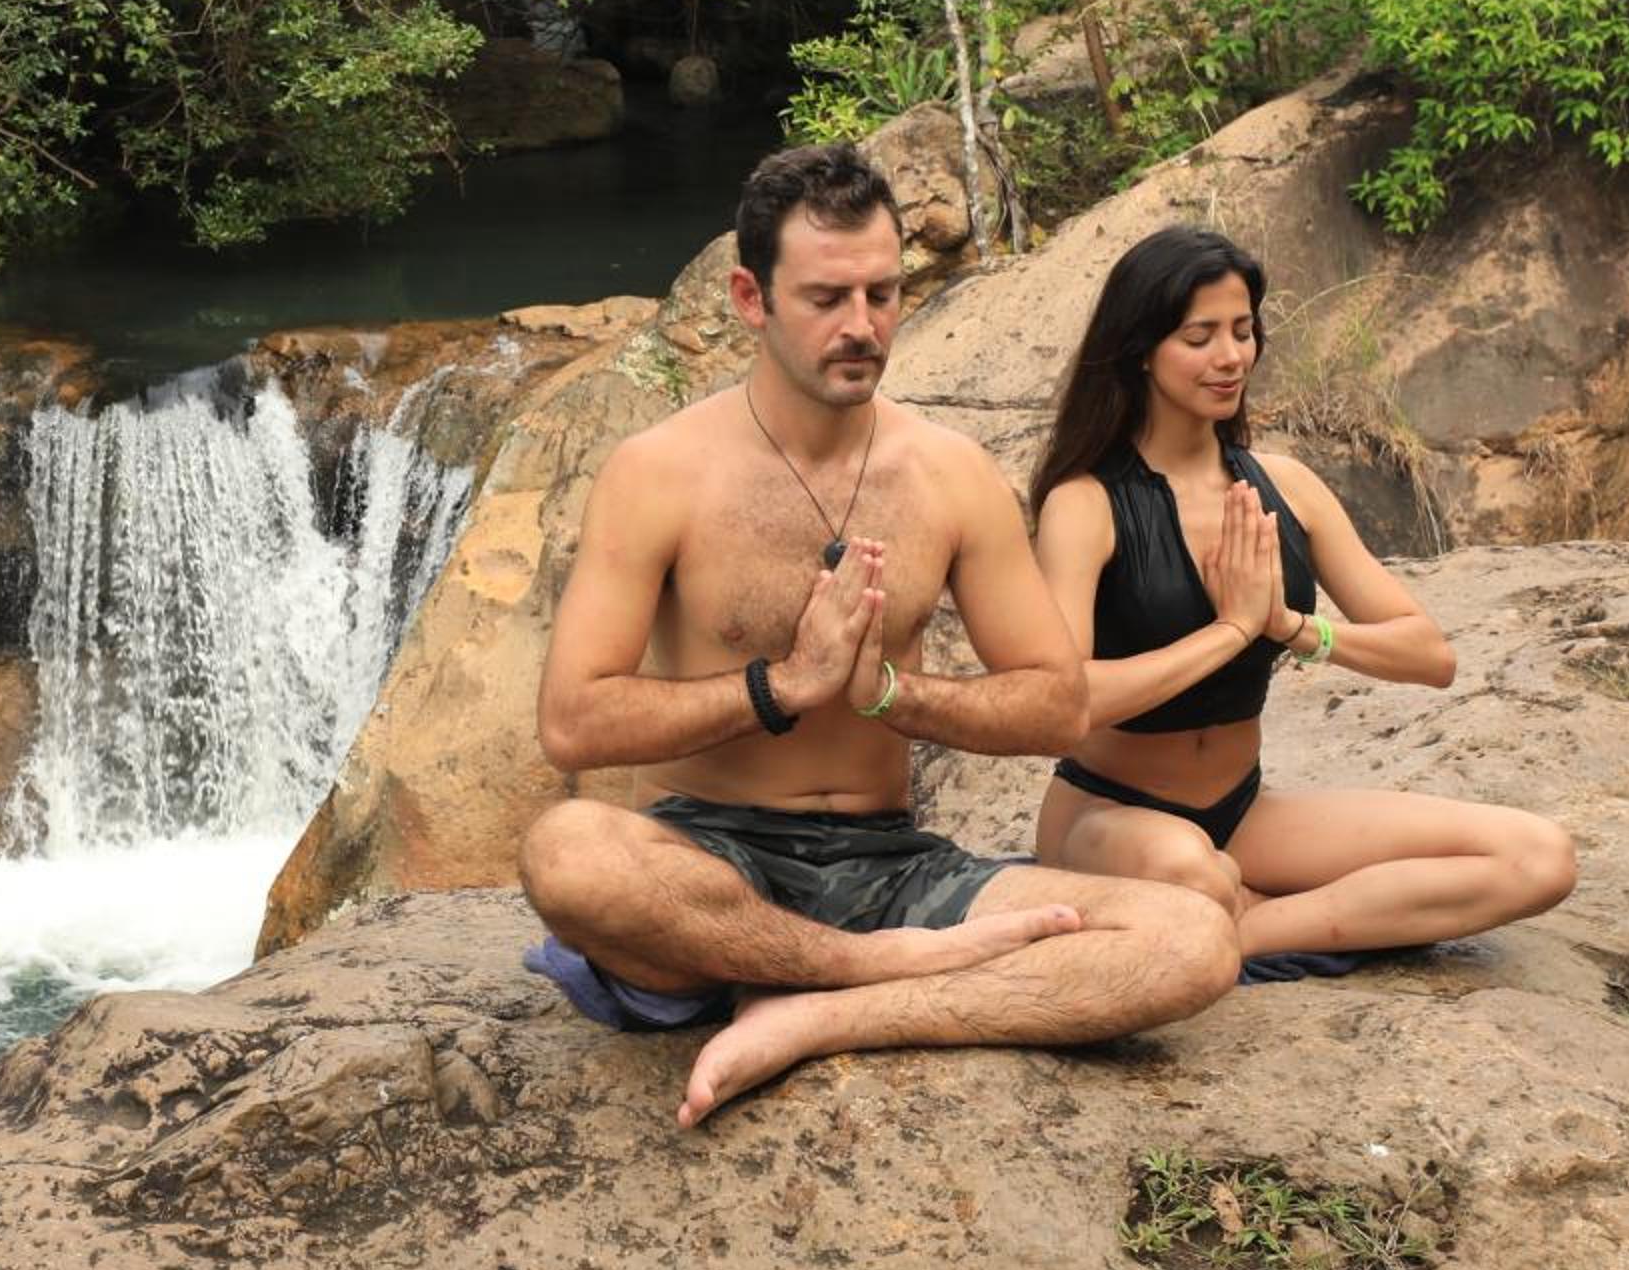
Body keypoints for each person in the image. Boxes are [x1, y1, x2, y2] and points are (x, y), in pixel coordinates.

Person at [518, 146, 1241, 1128]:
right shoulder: (659, 472)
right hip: (709, 862)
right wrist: (780, 685)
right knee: (568, 853)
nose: (861, 325)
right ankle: (866, 968)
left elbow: (1056, 703)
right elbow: (573, 721)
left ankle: (820, 1013)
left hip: (894, 864)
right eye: (826, 298)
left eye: (882, 294)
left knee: (1194, 937)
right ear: (750, 297)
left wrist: (894, 695)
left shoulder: (949, 474)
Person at [1026, 225, 1576, 973]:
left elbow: (1430, 657)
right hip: (1106, 814)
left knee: (1538, 857)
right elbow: (1063, 703)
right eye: (1200, 337)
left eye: (1243, 331)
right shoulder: (1085, 504)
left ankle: (1246, 925)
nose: (1231, 357)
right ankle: (1255, 911)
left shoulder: (1288, 487)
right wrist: (1229, 632)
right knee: (1192, 872)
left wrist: (1291, 626)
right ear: (1141, 350)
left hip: (1243, 812)